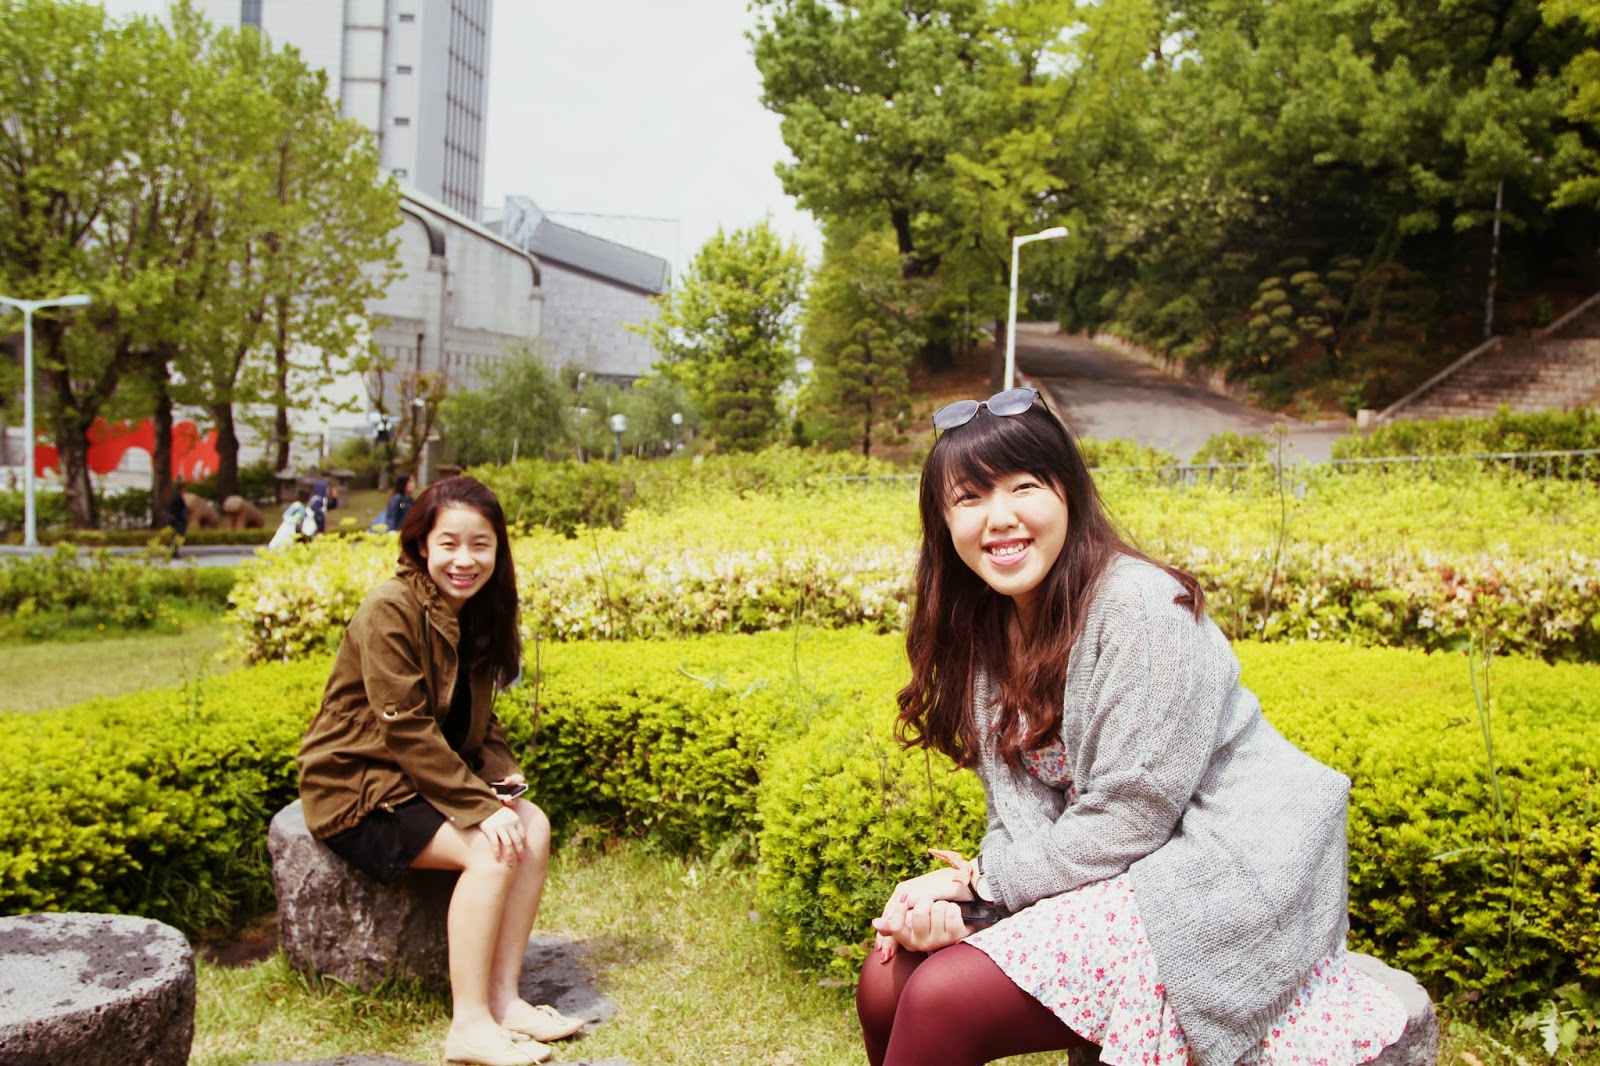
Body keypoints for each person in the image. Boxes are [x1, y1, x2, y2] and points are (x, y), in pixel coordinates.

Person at [856, 389, 1407, 1066]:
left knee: (942, 997)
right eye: (969, 498)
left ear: (1068, 492)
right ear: (944, 523)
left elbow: (1134, 813)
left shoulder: (1141, 606)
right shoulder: (990, 631)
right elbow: (1016, 816)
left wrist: (982, 884)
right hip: (1115, 870)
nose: (999, 518)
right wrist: (967, 903)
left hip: (1215, 871)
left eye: (1024, 486)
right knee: (885, 980)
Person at [296, 476, 581, 1066]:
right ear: (422, 544)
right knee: (492, 849)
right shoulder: (390, 608)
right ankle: (469, 1025)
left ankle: (504, 1000)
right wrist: (477, 807)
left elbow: (479, 721)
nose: (464, 560)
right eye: (449, 543)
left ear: (498, 550)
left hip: (418, 780)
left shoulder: (475, 612)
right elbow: (404, 728)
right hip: (361, 786)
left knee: (533, 826)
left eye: (480, 544)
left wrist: (501, 776)